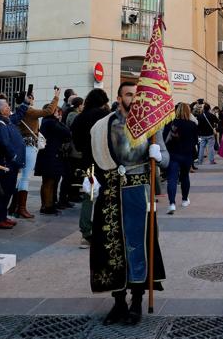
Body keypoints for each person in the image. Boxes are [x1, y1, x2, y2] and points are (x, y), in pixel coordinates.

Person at [86, 81, 168, 325]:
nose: (134, 98)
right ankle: (118, 302)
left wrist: (159, 155)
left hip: (138, 191)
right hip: (110, 192)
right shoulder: (103, 126)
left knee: (138, 247)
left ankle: (136, 302)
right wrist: (90, 177)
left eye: (136, 94)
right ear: (119, 97)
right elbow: (90, 157)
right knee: (110, 247)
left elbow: (165, 157)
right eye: (129, 94)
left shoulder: (151, 125)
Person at [11, 87, 60, 218]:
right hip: (29, 145)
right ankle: (21, 208)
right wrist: (56, 97)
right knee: (26, 177)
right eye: (32, 97)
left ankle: (15, 207)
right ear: (27, 98)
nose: (33, 99)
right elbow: (48, 111)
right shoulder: (28, 110)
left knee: (22, 177)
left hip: (23, 144)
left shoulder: (19, 110)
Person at [71, 88, 110, 248]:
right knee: (106, 194)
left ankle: (86, 233)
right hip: (106, 159)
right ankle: (103, 231)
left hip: (88, 160)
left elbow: (76, 140)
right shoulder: (106, 116)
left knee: (89, 194)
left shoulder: (80, 117)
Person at [0, 97, 29, 229]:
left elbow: (18, 116)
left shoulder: (7, 120)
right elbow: (4, 143)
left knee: (9, 190)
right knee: (3, 192)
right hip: (6, 163)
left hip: (11, 163)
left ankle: (3, 216)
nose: (9, 108)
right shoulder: (0, 123)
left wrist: (26, 103)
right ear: (0, 110)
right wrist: (14, 156)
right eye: (6, 106)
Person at [34, 106, 71, 215]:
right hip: (50, 156)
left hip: (49, 155)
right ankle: (47, 206)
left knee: (49, 181)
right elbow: (66, 132)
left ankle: (46, 204)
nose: (59, 113)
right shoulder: (50, 122)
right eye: (57, 111)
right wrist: (59, 120)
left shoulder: (48, 121)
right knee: (49, 181)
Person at [165, 103, 199, 214]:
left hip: (173, 155)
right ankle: (184, 200)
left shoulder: (170, 123)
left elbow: (166, 138)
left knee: (172, 179)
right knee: (185, 177)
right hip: (187, 155)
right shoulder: (192, 125)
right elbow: (195, 141)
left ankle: (172, 203)